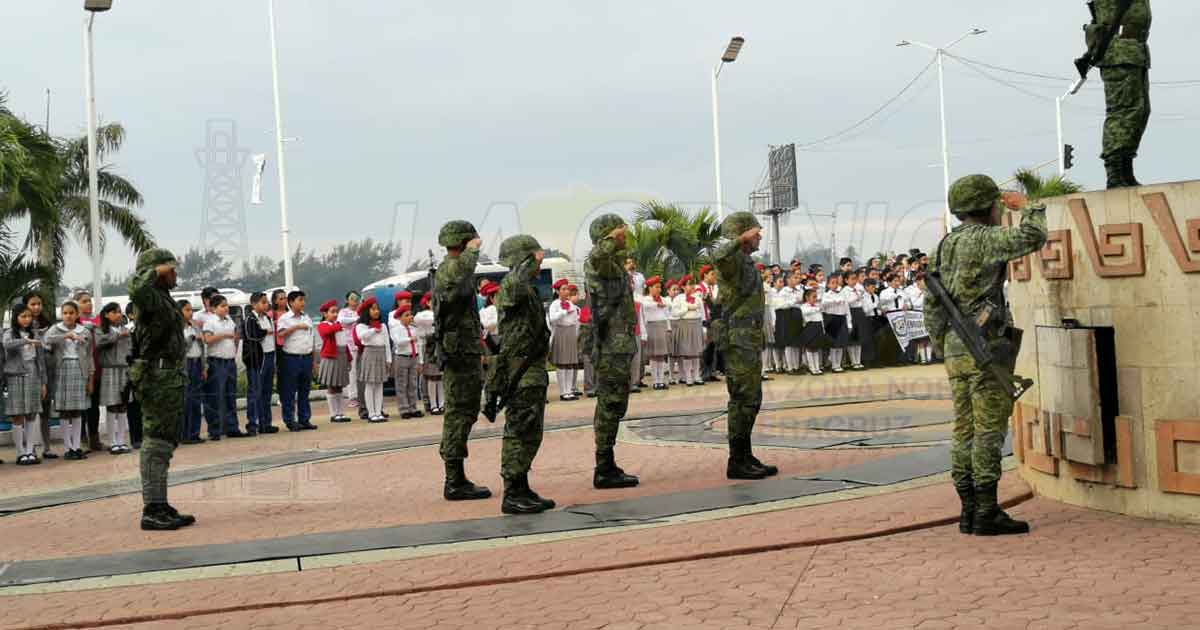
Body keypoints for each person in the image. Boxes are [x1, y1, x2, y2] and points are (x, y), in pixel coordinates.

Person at [925, 174, 1047, 537]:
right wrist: (1030, 207)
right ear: (988, 206)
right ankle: (987, 511)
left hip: (956, 347)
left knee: (964, 428)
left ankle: (968, 509)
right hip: (985, 348)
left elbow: (931, 304)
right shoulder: (985, 239)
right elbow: (1033, 236)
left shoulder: (943, 246)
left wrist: (943, 345)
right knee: (989, 430)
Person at [127, 248, 195, 530]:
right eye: (170, 270)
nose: (174, 274)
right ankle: (152, 509)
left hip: (168, 376)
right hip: (157, 376)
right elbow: (136, 288)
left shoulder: (162, 297)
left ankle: (160, 503)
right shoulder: (149, 297)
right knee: (156, 441)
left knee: (165, 441)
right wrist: (154, 270)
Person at [489, 234, 556, 514]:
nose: (539, 262)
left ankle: (522, 486)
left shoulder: (525, 287)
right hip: (521, 370)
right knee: (519, 432)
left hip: (531, 368)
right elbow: (517, 282)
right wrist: (530, 259)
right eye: (534, 257)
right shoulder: (512, 285)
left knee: (531, 432)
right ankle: (512, 493)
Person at [712, 212, 778, 480]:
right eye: (754, 231)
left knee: (751, 398)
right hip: (737, 339)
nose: (759, 235)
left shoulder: (745, 260)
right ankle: (737, 460)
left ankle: (744, 454)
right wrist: (739, 239)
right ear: (742, 234)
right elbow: (718, 256)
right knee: (742, 399)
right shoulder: (732, 259)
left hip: (747, 338)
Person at [433, 220, 492, 501]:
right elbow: (461, 270)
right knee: (458, 413)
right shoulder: (451, 268)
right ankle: (454, 480)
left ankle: (456, 476)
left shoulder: (456, 268)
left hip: (465, 350)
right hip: (457, 353)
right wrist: (472, 250)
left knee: (466, 411)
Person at [585, 214, 640, 489]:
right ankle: (604, 467)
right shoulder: (599, 261)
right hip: (610, 346)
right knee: (610, 404)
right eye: (620, 230)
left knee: (615, 403)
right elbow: (597, 255)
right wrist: (609, 239)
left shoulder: (614, 264)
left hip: (619, 344)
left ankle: (607, 463)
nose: (624, 233)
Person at [1077, 0, 1151, 188]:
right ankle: (1115, 172)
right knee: (1122, 111)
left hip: (1135, 51)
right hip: (1118, 52)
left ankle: (1126, 168)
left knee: (1140, 111)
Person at [45, 301, 94, 461]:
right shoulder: (56, 329)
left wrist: (90, 377)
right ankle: (67, 448)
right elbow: (46, 341)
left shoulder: (85, 331)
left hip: (79, 369)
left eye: (71, 313)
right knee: (64, 410)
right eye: (65, 313)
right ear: (61, 314)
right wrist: (65, 336)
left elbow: (89, 355)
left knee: (78, 409)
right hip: (62, 369)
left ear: (77, 314)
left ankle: (76, 446)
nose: (68, 316)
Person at [5, 303, 47, 465]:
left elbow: (40, 359)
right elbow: (7, 344)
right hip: (16, 376)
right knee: (18, 415)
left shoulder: (35, 334)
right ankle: (20, 453)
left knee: (32, 414)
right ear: (15, 317)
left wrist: (43, 382)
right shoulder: (9, 333)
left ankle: (30, 451)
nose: (27, 319)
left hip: (33, 375)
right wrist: (25, 340)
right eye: (23, 316)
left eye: (29, 316)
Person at [202, 296, 246, 439]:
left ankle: (232, 427)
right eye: (222, 306)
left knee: (230, 395)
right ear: (214, 308)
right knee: (215, 397)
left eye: (226, 305)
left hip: (229, 361)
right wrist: (223, 335)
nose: (226, 308)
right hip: (217, 362)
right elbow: (207, 339)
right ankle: (215, 430)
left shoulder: (230, 321)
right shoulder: (210, 322)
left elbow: (235, 337)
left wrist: (234, 345)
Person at [95, 302, 134, 454]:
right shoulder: (101, 330)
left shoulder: (126, 329)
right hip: (109, 369)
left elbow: (130, 348)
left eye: (119, 312)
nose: (118, 315)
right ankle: (112, 442)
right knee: (112, 405)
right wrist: (117, 336)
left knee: (123, 405)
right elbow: (99, 343)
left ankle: (121, 441)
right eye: (115, 312)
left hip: (124, 369)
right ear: (106, 314)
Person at [277, 290, 318, 431]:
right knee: (289, 391)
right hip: (291, 358)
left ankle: (304, 419)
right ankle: (290, 420)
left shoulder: (307, 317)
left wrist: (314, 361)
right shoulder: (285, 318)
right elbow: (280, 334)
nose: (303, 303)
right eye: (300, 300)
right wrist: (295, 327)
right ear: (291, 302)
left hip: (306, 357)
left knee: (304, 390)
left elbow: (311, 339)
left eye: (303, 300)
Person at [24, 292, 58, 460]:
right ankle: (30, 448)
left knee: (45, 411)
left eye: (39, 304)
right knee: (30, 411)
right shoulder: (22, 326)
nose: (36, 307)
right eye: (33, 304)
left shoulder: (48, 325)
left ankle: (47, 447)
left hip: (47, 371)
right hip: (30, 371)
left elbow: (54, 345)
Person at [241, 292, 277, 434]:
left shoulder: (267, 317)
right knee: (255, 392)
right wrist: (265, 332)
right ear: (254, 304)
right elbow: (251, 335)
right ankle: (252, 424)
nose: (266, 305)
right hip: (257, 359)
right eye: (263, 302)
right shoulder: (250, 319)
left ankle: (265, 423)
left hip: (269, 355)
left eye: (266, 302)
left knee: (267, 391)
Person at [355, 297, 391, 422]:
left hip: (381, 353)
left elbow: (387, 343)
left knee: (379, 384)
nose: (376, 311)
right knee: (370, 384)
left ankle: (378, 412)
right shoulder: (361, 326)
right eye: (373, 309)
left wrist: (388, 359)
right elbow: (361, 337)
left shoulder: (383, 326)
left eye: (377, 309)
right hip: (369, 353)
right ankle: (371, 413)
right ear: (367, 311)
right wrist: (373, 330)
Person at [317, 299, 353, 423]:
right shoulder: (323, 325)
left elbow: (344, 343)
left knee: (339, 386)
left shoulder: (338, 326)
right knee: (332, 386)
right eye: (332, 312)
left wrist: (349, 358)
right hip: (331, 357)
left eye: (336, 311)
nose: (335, 314)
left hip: (341, 357)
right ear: (325, 314)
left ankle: (340, 412)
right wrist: (339, 325)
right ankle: (333, 414)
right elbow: (326, 332)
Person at [548, 278, 582, 401]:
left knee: (570, 363)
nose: (566, 291)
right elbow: (552, 319)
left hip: (570, 332)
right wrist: (563, 312)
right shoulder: (555, 304)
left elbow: (575, 319)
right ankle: (563, 391)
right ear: (558, 291)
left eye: (567, 289)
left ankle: (569, 390)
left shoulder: (571, 304)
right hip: (561, 332)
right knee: (562, 363)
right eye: (563, 289)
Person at [179, 300, 208, 444]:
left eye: (191, 310)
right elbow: (179, 348)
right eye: (187, 310)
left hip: (197, 363)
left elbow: (202, 346)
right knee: (186, 400)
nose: (190, 313)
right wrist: (191, 338)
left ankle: (194, 433)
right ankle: (184, 434)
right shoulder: (176, 329)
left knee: (196, 400)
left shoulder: (194, 326)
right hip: (185, 365)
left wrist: (203, 367)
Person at [390, 304, 422, 419]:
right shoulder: (396, 329)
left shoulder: (414, 329)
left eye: (410, 315)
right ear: (400, 317)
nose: (410, 317)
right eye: (406, 315)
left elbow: (418, 344)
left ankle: (413, 407)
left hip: (414, 357)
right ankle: (404, 409)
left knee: (412, 384)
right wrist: (410, 339)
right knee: (402, 384)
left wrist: (420, 360)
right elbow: (398, 342)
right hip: (402, 357)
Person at [672, 276, 705, 387]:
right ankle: (688, 377)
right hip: (685, 324)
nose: (691, 286)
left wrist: (703, 326)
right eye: (689, 284)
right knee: (687, 352)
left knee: (695, 352)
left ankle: (697, 376)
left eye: (692, 284)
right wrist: (686, 308)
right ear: (683, 287)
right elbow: (674, 313)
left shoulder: (697, 297)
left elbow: (701, 312)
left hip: (696, 324)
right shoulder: (679, 298)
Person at [414, 293, 444, 415]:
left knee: (441, 378)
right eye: (433, 301)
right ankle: (433, 405)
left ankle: (441, 404)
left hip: (440, 347)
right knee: (432, 378)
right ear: (427, 302)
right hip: (430, 348)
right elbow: (419, 323)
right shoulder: (422, 315)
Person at [639, 277, 671, 390]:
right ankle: (655, 381)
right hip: (651, 327)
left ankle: (661, 380)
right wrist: (657, 304)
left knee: (661, 355)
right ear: (650, 288)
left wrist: (668, 327)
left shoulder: (663, 299)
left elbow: (667, 312)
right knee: (653, 355)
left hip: (662, 326)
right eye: (656, 287)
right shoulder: (646, 300)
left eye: (660, 287)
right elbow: (645, 307)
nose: (659, 289)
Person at [821, 273, 851, 373]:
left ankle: (838, 364)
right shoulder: (826, 295)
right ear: (828, 284)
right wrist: (834, 301)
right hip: (831, 319)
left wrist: (849, 323)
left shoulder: (842, 294)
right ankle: (834, 365)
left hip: (841, 318)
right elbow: (823, 306)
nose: (835, 285)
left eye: (836, 283)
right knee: (833, 344)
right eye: (832, 283)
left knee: (840, 343)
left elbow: (846, 308)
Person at [698, 265, 723, 382]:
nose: (714, 277)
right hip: (705, 321)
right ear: (705, 275)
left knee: (713, 346)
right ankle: (704, 372)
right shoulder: (699, 288)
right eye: (712, 274)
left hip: (713, 321)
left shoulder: (713, 288)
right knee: (706, 348)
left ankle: (712, 371)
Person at [338, 292, 362, 410]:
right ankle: (353, 397)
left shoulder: (361, 311)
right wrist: (356, 318)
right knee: (352, 372)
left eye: (357, 298)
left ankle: (362, 395)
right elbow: (341, 321)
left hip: (361, 345)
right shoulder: (343, 312)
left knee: (361, 372)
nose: (355, 301)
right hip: (349, 345)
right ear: (347, 300)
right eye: (352, 298)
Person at [798, 289, 831, 375]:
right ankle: (812, 368)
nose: (815, 299)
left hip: (818, 327)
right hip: (810, 327)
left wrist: (823, 329)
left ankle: (817, 367)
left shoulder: (817, 306)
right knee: (810, 348)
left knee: (816, 348)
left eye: (816, 297)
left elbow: (821, 318)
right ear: (807, 297)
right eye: (814, 297)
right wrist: (816, 309)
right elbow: (805, 312)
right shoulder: (804, 306)